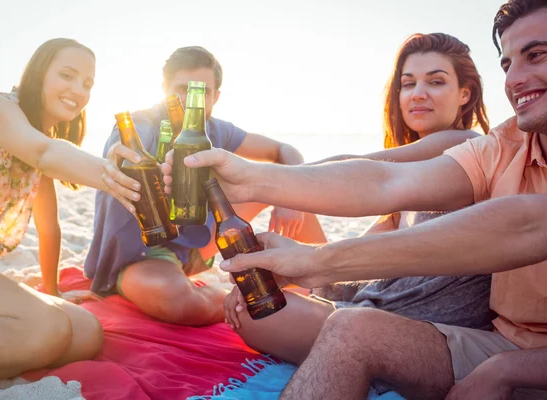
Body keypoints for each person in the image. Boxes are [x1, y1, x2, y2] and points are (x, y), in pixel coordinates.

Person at [161, 0, 547, 398]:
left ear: (465, 94)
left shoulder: (463, 140)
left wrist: (305, 247)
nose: (516, 78)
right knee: (277, 312)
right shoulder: (501, 150)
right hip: (452, 329)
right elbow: (382, 181)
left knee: (296, 318)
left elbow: (521, 222)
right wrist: (253, 183)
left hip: (431, 324)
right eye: (507, 64)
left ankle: (190, 266)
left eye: (536, 55)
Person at [222, 34, 495, 354]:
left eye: (435, 82)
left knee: (256, 313)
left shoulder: (462, 144)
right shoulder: (411, 176)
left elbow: (359, 166)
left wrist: (272, 186)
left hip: (418, 324)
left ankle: (198, 236)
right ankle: (202, 242)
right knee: (256, 299)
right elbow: (348, 256)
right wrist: (281, 265)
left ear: (465, 93)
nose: (418, 94)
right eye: (408, 84)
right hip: (371, 301)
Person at [86, 46, 326, 326]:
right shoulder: (143, 124)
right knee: (172, 298)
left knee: (292, 190)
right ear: (164, 88)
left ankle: (328, 283)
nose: (189, 100)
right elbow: (122, 146)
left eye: (201, 91)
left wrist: (290, 198)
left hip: (197, 241)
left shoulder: (214, 128)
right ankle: (232, 296)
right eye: (181, 88)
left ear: (215, 96)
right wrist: (118, 151)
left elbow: (285, 150)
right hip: (144, 253)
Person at [0, 38, 139, 383]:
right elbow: (45, 153)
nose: (78, 90)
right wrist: (120, 177)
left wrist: (52, 290)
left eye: (87, 84)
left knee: (84, 332)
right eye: (67, 75)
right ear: (39, 73)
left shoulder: (34, 144)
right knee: (46, 327)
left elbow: (49, 228)